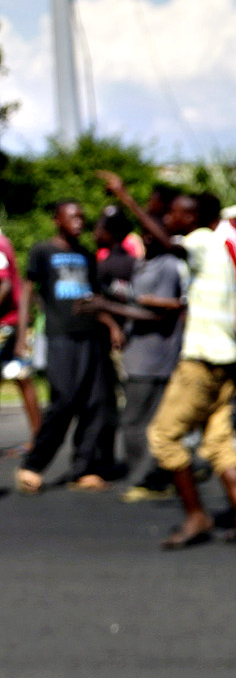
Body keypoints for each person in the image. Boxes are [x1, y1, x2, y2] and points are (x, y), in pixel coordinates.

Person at [136, 188, 236, 548]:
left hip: (202, 358)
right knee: (219, 440)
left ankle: (196, 515)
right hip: (225, 357)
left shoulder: (202, 241)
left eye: (175, 214)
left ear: (191, 218)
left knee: (164, 437)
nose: (169, 219)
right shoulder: (222, 247)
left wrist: (127, 199)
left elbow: (168, 244)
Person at [97, 179, 193, 500]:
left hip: (153, 357)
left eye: (153, 231)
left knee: (136, 421)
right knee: (144, 419)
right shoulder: (143, 263)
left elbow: (159, 316)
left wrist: (108, 306)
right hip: (139, 354)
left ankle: (147, 478)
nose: (147, 236)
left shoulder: (166, 266)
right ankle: (158, 475)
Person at [16, 199, 119, 492]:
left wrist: (111, 325)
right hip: (61, 336)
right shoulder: (42, 251)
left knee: (95, 402)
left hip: (91, 336)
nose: (78, 221)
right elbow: (27, 292)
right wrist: (23, 334)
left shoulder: (86, 254)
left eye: (82, 217)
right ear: (57, 219)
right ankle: (33, 465)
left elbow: (96, 297)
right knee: (63, 400)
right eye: (72, 216)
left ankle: (83, 468)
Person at [0, 222, 46, 446]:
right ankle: (39, 437)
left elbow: (5, 284)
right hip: (13, 322)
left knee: (22, 377)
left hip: (6, 323)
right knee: (21, 376)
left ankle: (40, 437)